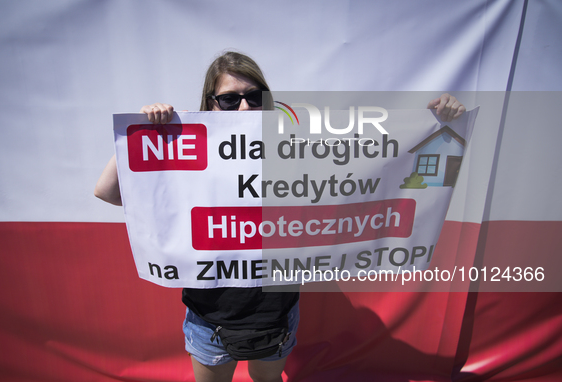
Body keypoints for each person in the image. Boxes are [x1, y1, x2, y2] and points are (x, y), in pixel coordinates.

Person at [94, 51, 465, 382]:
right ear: (210, 104)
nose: (244, 109)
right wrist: (138, 133)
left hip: (277, 316)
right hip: (210, 319)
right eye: (229, 99)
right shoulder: (187, 152)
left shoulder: (297, 148)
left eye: (255, 98)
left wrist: (439, 124)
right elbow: (107, 191)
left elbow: (378, 166)